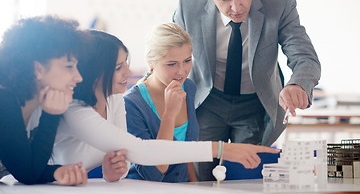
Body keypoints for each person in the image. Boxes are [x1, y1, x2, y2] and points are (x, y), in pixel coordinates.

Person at [44, 29, 279, 182]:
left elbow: (123, 160)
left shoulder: (114, 99)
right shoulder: (76, 111)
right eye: (118, 68)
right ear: (94, 73)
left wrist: (112, 172)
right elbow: (142, 152)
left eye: (126, 63)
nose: (128, 72)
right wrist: (221, 149)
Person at [173, 0, 321, 181]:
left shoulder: (279, 0)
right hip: (208, 99)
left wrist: (298, 83)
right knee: (200, 174)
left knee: (247, 175)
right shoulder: (188, 1)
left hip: (254, 102)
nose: (236, 7)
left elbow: (305, 56)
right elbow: (168, 51)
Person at [0, 16, 88, 185]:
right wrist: (51, 115)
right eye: (69, 66)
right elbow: (28, 174)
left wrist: (56, 171)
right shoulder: (4, 101)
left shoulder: (18, 101)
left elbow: (23, 163)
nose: (79, 77)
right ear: (38, 69)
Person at [124, 23, 198, 182]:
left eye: (187, 61)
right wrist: (169, 115)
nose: (182, 71)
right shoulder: (132, 103)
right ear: (151, 64)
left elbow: (187, 153)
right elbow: (154, 173)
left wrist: (197, 186)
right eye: (171, 64)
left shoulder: (188, 88)